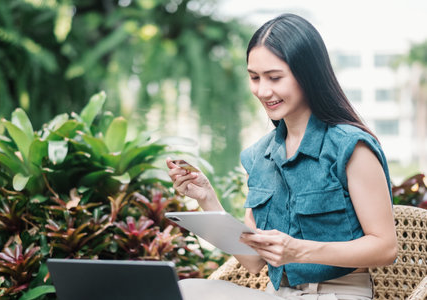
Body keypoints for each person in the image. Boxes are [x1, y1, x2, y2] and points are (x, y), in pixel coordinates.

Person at [166, 13, 397, 300]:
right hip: (276, 294)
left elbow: (386, 248)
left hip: (339, 294)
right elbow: (253, 261)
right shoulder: (258, 157)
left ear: (307, 75)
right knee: (186, 290)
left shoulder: (351, 147)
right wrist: (206, 198)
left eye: (275, 78)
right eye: (254, 78)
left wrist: (299, 250)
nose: (263, 91)